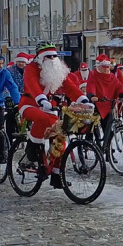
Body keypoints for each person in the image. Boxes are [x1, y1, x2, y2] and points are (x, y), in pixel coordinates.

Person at [19, 42, 91, 189]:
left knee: (60, 137)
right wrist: (40, 98)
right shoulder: (31, 68)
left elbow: (69, 86)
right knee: (43, 118)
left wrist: (83, 99)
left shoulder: (57, 70)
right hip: (29, 103)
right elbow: (32, 84)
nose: (52, 59)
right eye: (48, 56)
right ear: (40, 57)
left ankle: (57, 175)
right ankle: (32, 148)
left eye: (54, 56)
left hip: (48, 106)